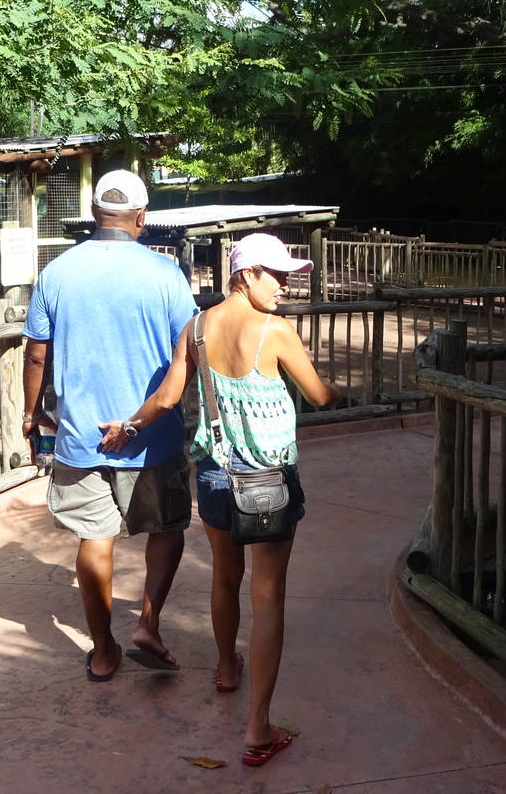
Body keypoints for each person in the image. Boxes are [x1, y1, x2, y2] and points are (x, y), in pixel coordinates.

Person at [100, 232, 336, 766]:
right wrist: (337, 394)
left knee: (224, 577)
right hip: (268, 481)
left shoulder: (197, 328)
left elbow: (166, 398)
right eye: (275, 275)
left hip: (214, 475)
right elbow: (320, 395)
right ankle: (258, 728)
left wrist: (128, 426)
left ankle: (228, 667)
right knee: (268, 596)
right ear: (245, 274)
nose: (284, 286)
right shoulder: (276, 332)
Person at [21, 168, 198, 682]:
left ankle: (102, 651)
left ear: (96, 213)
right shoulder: (165, 274)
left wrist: (32, 414)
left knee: (94, 540)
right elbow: (187, 351)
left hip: (80, 436)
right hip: (153, 435)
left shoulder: (57, 271)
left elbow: (37, 355)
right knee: (166, 527)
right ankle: (148, 621)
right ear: (141, 216)